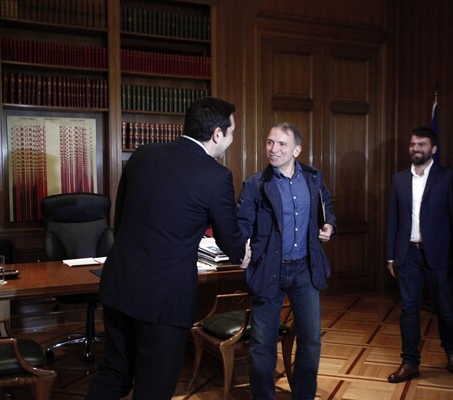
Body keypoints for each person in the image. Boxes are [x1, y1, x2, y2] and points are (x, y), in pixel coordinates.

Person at [86, 97, 251, 399]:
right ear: (217, 134)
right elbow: (230, 240)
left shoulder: (142, 155)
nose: (231, 139)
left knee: (114, 374)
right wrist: (243, 252)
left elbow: (120, 220)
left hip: (119, 283)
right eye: (232, 132)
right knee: (155, 387)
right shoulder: (216, 176)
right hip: (163, 298)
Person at [236, 122, 336, 400]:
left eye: (281, 144)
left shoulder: (313, 178)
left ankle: (304, 395)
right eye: (270, 142)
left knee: (311, 339)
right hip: (269, 269)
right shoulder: (255, 184)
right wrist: (241, 247)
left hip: (305, 269)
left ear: (296, 150)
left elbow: (327, 208)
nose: (273, 148)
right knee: (262, 342)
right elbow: (242, 225)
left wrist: (329, 226)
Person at [385, 126, 453, 383]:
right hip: (407, 254)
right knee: (408, 310)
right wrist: (390, 256)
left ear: (433, 149)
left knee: (445, 308)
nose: (416, 148)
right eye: (413, 144)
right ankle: (409, 362)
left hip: (440, 255)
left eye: (422, 144)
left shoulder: (448, 177)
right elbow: (393, 219)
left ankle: (451, 352)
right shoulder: (399, 179)